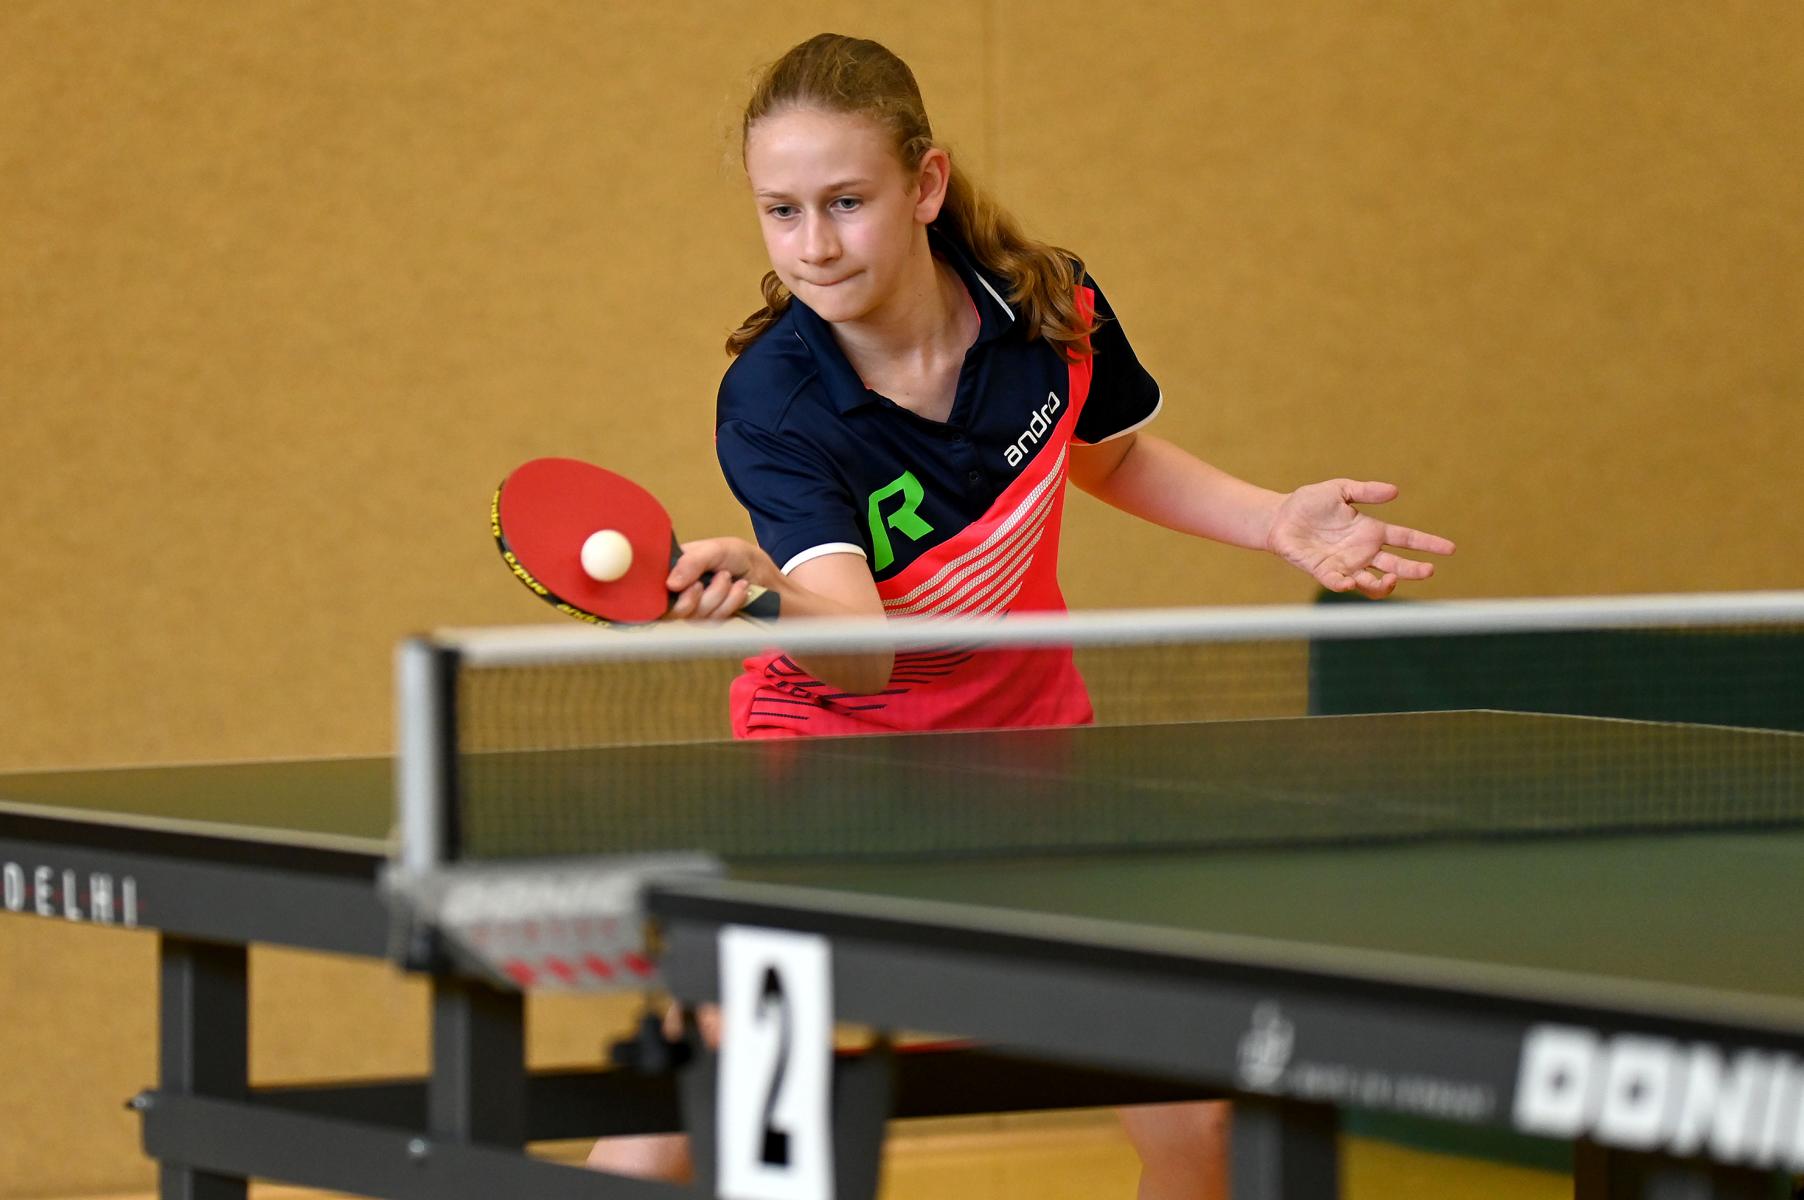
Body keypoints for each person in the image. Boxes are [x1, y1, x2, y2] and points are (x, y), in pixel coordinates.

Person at [590, 31, 1455, 1199]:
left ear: (925, 184)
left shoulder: (1048, 303)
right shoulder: (775, 404)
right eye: (780, 212)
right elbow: (861, 656)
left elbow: (1107, 455)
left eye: (845, 201)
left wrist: (1273, 521)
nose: (814, 246)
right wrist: (759, 582)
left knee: (1196, 1112)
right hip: (832, 759)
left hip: (1026, 748)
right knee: (727, 1071)